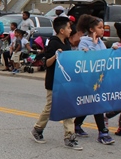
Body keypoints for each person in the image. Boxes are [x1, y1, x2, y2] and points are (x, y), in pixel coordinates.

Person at [30, 16, 82, 150]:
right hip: (53, 81)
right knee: (49, 108)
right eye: (69, 28)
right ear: (62, 30)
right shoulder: (53, 43)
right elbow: (47, 63)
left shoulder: (67, 43)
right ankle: (38, 129)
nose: (71, 30)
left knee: (68, 108)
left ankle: (69, 137)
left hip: (66, 81)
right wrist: (55, 56)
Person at [72, 14, 115, 144]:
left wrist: (113, 50)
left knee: (90, 103)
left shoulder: (101, 42)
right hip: (87, 79)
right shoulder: (84, 41)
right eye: (100, 27)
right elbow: (85, 59)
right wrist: (93, 45)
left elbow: (104, 57)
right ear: (92, 29)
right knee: (97, 104)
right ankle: (103, 133)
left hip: (99, 78)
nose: (103, 30)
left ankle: (77, 123)